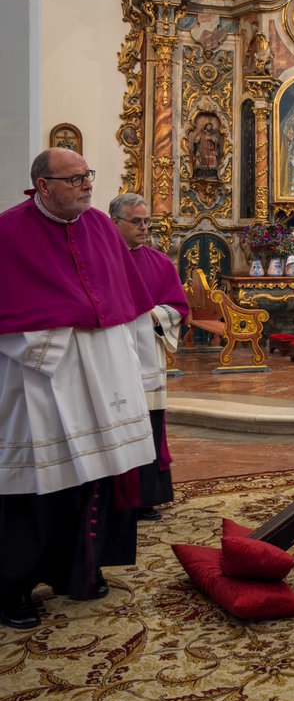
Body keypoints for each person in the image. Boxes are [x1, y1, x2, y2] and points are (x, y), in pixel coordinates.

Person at [0, 150, 156, 629]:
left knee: (96, 477)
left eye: (88, 176)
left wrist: (124, 359)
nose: (87, 185)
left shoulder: (102, 228)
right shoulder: (9, 231)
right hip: (43, 376)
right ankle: (12, 589)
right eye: (74, 179)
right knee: (37, 484)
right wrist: (53, 341)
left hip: (101, 372)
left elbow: (124, 300)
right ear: (42, 186)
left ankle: (79, 570)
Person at [110, 193, 189, 521]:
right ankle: (112, 496)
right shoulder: (102, 260)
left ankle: (146, 497)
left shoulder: (159, 262)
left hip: (147, 361)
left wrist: (151, 316)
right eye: (137, 222)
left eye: (147, 222)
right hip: (111, 361)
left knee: (149, 427)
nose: (145, 228)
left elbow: (180, 307)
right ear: (115, 223)